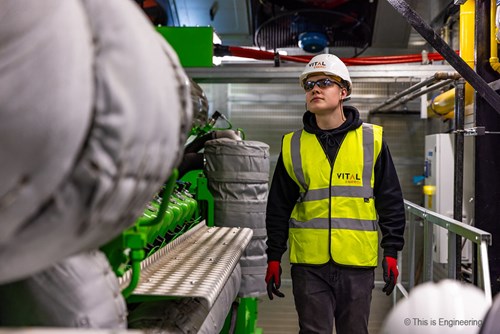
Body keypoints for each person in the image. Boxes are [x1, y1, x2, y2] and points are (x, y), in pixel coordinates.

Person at [264, 53, 406, 334]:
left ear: (344, 92)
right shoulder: (293, 145)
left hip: (356, 263)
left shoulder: (371, 140)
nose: (315, 89)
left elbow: (390, 200)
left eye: (325, 82)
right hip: (309, 265)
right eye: (310, 85)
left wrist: (391, 250)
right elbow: (278, 207)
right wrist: (273, 255)